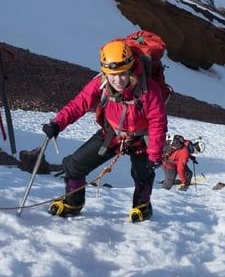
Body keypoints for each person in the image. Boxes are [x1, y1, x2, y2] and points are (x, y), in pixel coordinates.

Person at [41, 39, 167, 222]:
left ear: (131, 69)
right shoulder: (100, 84)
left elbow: (158, 122)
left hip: (141, 139)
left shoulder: (149, 90)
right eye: (112, 74)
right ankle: (73, 203)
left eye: (123, 74)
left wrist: (154, 155)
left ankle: (142, 207)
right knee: (74, 165)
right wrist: (57, 123)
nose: (118, 80)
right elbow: (79, 104)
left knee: (143, 172)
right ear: (105, 72)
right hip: (112, 135)